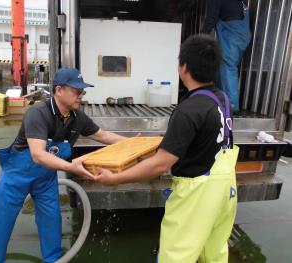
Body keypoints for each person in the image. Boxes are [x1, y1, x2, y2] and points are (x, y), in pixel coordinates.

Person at [96, 34, 239, 263]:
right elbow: (203, 138)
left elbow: (160, 164)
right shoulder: (222, 99)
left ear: (184, 68)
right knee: (213, 253)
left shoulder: (187, 110)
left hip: (196, 194)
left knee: (176, 256)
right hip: (225, 189)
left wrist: (115, 179)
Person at [0, 67, 126, 263]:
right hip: (17, 176)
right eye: (76, 91)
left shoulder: (77, 117)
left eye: (82, 92)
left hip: (46, 178)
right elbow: (38, 154)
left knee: (51, 223)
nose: (80, 96)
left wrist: (131, 142)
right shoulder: (38, 113)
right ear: (59, 90)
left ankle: (54, 259)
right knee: (0, 222)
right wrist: (71, 167)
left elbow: (103, 135)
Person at [202, 0, 251, 112]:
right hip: (242, 34)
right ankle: (221, 101)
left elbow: (211, 18)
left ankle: (231, 107)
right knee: (223, 67)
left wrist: (199, 38)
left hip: (232, 34)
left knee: (228, 68)